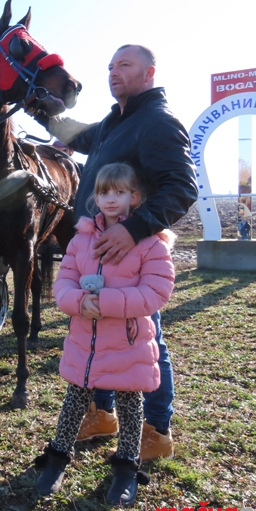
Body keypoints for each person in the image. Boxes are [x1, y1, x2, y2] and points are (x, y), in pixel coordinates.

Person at [29, 44, 198, 460]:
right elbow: (79, 136)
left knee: (144, 337)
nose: (113, 72)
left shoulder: (158, 122)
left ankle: (156, 431)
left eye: (124, 65)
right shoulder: (115, 121)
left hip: (132, 252)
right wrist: (46, 113)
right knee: (105, 332)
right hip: (101, 249)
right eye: (110, 66)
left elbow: (183, 187)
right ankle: (103, 414)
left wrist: (135, 230)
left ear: (149, 72)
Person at [35, 163, 176, 506]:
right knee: (75, 400)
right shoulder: (81, 239)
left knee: (130, 405)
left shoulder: (150, 243)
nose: (110, 199)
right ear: (94, 197)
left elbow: (157, 292)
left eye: (119, 192)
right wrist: (78, 302)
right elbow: (64, 282)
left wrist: (107, 302)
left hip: (128, 340)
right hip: (86, 338)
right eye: (102, 192)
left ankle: (127, 467)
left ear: (135, 197)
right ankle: (56, 458)